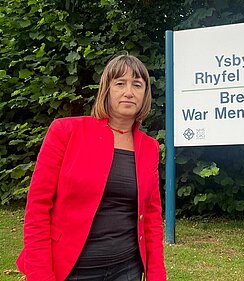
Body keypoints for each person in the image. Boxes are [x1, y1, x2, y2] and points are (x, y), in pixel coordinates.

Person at [16, 54, 167, 281]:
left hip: (127, 270)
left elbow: (153, 218)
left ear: (145, 94)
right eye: (120, 83)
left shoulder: (150, 147)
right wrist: (40, 275)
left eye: (137, 85)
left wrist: (157, 275)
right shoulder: (66, 132)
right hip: (71, 270)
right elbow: (37, 208)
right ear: (106, 90)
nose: (129, 92)